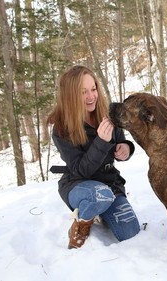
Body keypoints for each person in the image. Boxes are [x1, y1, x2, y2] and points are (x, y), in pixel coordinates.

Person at [47, 65, 140, 249]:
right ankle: (81, 224)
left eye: (93, 89)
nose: (91, 96)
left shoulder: (106, 114)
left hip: (110, 183)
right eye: (83, 92)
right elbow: (81, 170)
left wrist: (126, 149)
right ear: (71, 96)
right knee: (100, 195)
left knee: (130, 232)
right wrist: (102, 141)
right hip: (78, 185)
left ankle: (100, 211)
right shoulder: (61, 128)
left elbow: (122, 142)